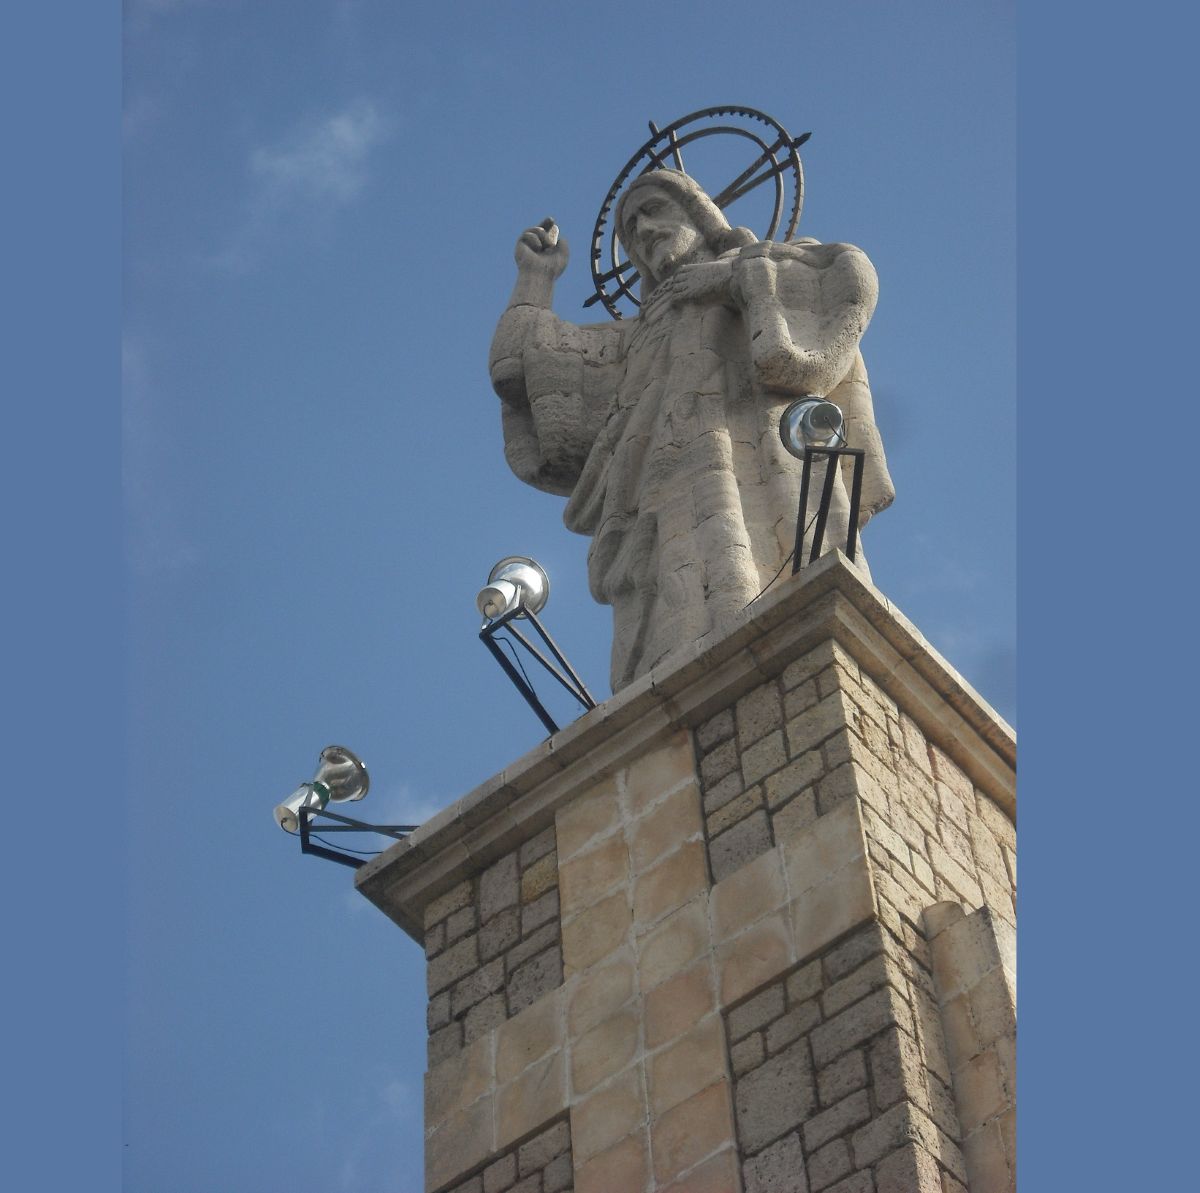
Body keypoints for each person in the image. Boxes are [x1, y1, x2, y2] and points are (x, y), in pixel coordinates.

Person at [490, 169, 892, 691]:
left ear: (702, 216)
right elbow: (518, 370)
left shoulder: (765, 266)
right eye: (631, 230)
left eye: (657, 210)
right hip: (660, 499)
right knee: (668, 635)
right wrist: (535, 279)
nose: (645, 231)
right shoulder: (637, 337)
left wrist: (728, 281)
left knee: (777, 578)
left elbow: (847, 278)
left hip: (766, 466)